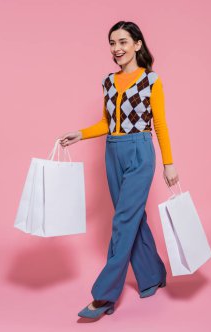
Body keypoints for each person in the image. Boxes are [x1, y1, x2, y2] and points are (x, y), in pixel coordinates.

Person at [59, 21, 179, 320]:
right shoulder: (108, 82)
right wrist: (80, 134)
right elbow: (107, 122)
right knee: (134, 219)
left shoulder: (152, 80)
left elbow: (160, 124)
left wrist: (169, 163)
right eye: (112, 43)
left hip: (140, 151)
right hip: (112, 151)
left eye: (123, 42)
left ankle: (104, 295)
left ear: (138, 44)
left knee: (123, 221)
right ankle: (152, 276)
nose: (117, 48)